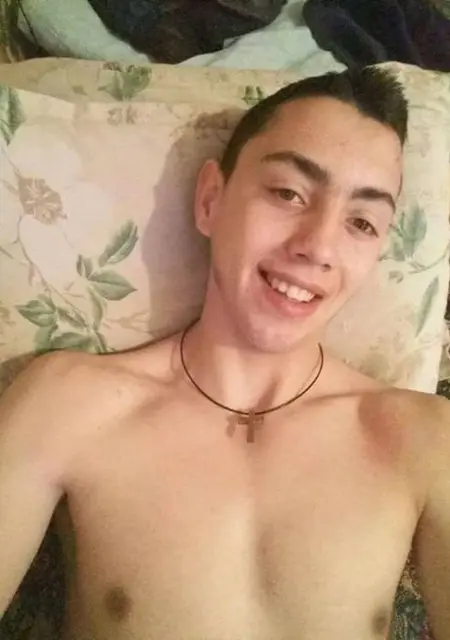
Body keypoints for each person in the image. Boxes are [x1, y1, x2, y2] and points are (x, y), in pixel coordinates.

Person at [0, 67, 449, 640]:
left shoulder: (424, 438)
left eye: (361, 222)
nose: (317, 247)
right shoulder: (68, 402)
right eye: (288, 193)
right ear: (211, 200)